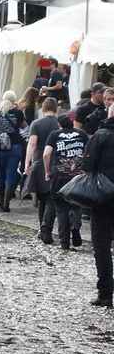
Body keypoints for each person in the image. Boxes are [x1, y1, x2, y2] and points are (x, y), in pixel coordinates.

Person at [83, 101, 114, 308]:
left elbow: (87, 165)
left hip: (103, 198)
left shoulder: (101, 135)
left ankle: (105, 293)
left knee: (101, 247)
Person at [43, 113, 88, 250]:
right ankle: (75, 227)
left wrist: (47, 171)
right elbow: (88, 152)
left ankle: (64, 242)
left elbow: (46, 154)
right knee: (76, 205)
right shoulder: (82, 134)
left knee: (61, 208)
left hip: (59, 176)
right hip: (77, 176)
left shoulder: (54, 135)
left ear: (60, 124)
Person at [24, 98, 61, 243]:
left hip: (40, 162)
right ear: (56, 108)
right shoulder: (59, 124)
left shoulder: (37, 124)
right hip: (56, 163)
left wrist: (27, 163)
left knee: (42, 198)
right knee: (51, 197)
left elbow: (32, 144)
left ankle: (42, 228)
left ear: (43, 108)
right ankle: (47, 229)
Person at [0, 91, 27, 212]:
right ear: (14, 100)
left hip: (0, 145)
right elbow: (23, 126)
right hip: (15, 145)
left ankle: (1, 200)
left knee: (0, 174)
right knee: (11, 173)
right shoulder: (18, 112)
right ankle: (6, 202)